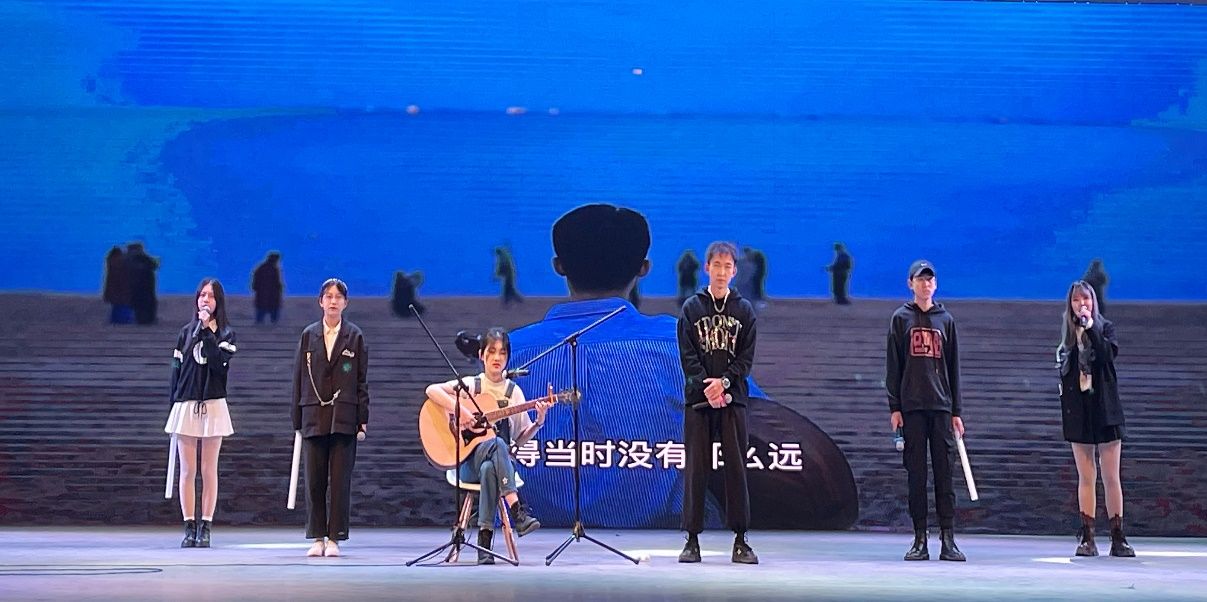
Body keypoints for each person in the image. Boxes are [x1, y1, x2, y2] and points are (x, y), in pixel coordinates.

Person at [506, 204, 858, 533]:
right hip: (669, 545)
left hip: (528, 545)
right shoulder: (685, 345)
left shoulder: (506, 354)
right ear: (643, 268)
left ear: (559, 266)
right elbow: (761, 424)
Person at [424, 328, 548, 564]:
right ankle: (517, 510)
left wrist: (538, 422)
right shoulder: (472, 385)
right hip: (467, 463)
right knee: (496, 446)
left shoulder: (513, 392)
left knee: (491, 465)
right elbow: (432, 390)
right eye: (491, 352)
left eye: (502, 352)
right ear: (481, 355)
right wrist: (461, 411)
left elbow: (519, 440)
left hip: (498, 465)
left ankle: (484, 543)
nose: (497, 357)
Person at [677, 241, 759, 564]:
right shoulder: (692, 308)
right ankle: (691, 539)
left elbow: (745, 359)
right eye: (717, 266)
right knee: (696, 469)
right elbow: (688, 356)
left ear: (734, 271)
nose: (722, 272)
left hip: (733, 399)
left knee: (736, 469)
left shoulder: (744, 311)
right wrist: (707, 387)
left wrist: (724, 383)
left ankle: (741, 539)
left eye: (727, 267)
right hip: (699, 401)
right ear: (706, 268)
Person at [886, 260, 966, 562]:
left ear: (936, 284)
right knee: (916, 476)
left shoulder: (946, 320)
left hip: (942, 407)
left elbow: (954, 367)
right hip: (912, 408)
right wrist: (895, 406)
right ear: (911, 284)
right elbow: (893, 365)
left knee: (945, 475)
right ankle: (920, 538)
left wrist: (956, 410)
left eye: (930, 280)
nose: (926, 284)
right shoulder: (900, 319)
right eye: (920, 279)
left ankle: (948, 539)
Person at [291, 278, 371, 558]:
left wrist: (362, 418)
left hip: (344, 416)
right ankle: (317, 537)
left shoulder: (355, 336)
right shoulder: (308, 335)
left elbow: (361, 380)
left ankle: (335, 537)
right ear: (320, 302)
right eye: (328, 296)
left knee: (339, 481)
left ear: (345, 303)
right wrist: (296, 417)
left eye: (338, 297)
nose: (333, 301)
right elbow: (298, 378)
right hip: (313, 413)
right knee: (314, 480)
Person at [1057, 280, 1134, 557]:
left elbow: (1106, 355)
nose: (1082, 305)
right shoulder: (1067, 336)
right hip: (1080, 412)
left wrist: (1090, 328)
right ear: (1070, 305)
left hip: (1106, 410)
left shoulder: (1105, 328)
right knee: (1086, 476)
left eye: (1086, 299)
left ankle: (1118, 537)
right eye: (1077, 300)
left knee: (1111, 476)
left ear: (1093, 302)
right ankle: (1087, 537)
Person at [164, 278, 237, 548]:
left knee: (208, 469)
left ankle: (205, 526)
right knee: (187, 470)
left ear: (219, 302)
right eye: (202, 295)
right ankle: (188, 526)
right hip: (186, 404)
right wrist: (173, 404)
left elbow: (218, 365)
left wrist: (207, 331)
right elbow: (176, 371)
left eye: (211, 296)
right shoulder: (185, 333)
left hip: (213, 404)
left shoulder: (226, 334)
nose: (205, 300)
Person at [125, 242, 160, 325]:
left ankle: (144, 319)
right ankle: (146, 319)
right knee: (145, 303)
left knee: (141, 303)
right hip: (144, 286)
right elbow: (153, 265)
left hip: (140, 286)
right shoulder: (142, 258)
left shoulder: (130, 259)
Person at [251, 251, 284, 324]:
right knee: (266, 310)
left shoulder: (263, 268)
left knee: (265, 310)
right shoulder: (270, 269)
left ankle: (264, 323)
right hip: (268, 294)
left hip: (267, 294)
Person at [102, 245, 132, 324]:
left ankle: (116, 319)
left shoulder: (111, 262)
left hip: (114, 289)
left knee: (117, 305)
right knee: (123, 305)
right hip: (122, 288)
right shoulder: (121, 262)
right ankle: (124, 319)